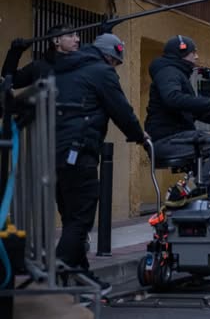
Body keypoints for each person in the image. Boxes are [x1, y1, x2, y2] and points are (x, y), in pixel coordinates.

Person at [53, 33, 148, 295]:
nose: (116, 67)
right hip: (79, 150)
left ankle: (82, 276)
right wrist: (139, 136)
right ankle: (53, 276)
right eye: (116, 63)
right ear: (110, 56)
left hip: (50, 151)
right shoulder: (101, 72)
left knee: (71, 215)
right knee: (81, 218)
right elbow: (120, 110)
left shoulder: (65, 68)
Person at [145, 36, 210, 187]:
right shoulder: (169, 72)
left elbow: (197, 112)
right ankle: (194, 188)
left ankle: (208, 201)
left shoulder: (176, 73)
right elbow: (172, 98)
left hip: (175, 138)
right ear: (182, 53)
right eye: (194, 53)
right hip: (168, 140)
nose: (197, 57)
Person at [1, 24, 80, 88]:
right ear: (56, 41)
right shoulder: (38, 67)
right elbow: (10, 82)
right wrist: (14, 53)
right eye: (70, 35)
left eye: (77, 35)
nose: (77, 39)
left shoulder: (83, 64)